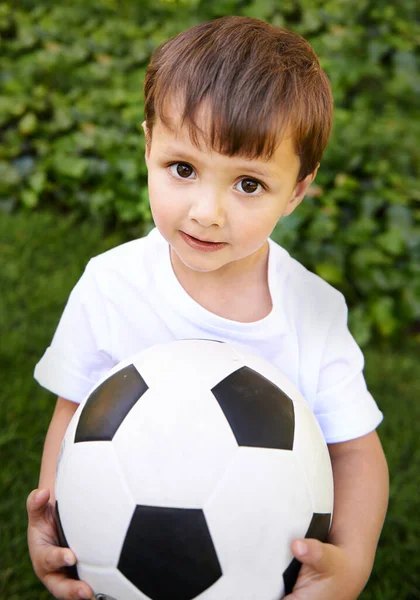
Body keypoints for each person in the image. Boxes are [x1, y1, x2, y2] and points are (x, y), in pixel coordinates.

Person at [27, 15, 389, 600]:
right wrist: (57, 527)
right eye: (183, 169)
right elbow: (74, 418)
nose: (206, 211)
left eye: (248, 184)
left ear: (298, 189)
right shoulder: (111, 284)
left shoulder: (313, 312)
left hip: (259, 566)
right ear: (148, 146)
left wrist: (352, 561)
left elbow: (356, 452)